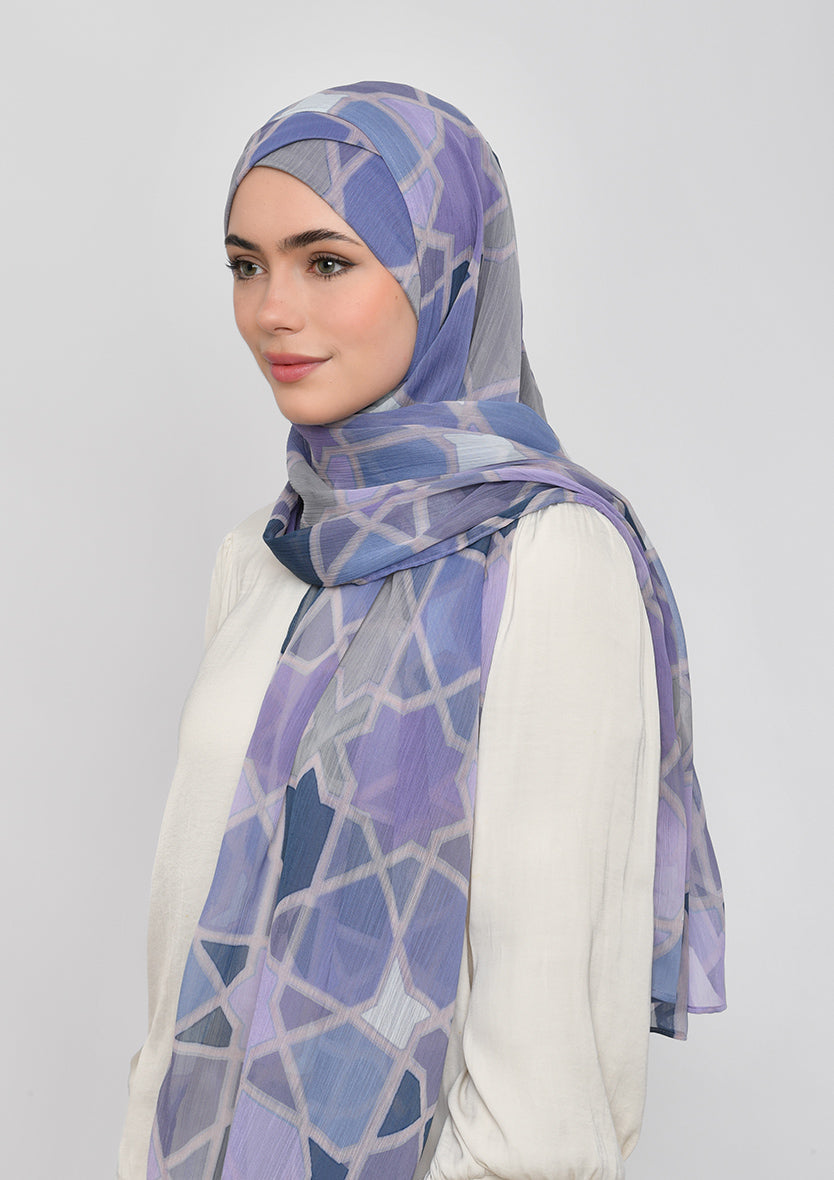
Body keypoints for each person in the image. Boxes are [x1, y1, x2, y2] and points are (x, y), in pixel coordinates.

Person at [118, 82, 726, 1180]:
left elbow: (545, 1092)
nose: (272, 311)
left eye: (327, 262)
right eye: (247, 265)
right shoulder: (260, 557)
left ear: (446, 275)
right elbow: (180, 1001)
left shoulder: (549, 559)